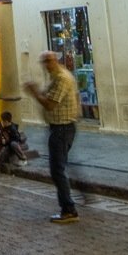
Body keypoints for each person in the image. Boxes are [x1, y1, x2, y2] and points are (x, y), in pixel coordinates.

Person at [25, 52, 81, 224]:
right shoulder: (56, 77)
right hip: (61, 127)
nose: (45, 65)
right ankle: (70, 204)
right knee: (60, 167)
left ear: (55, 61)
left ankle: (69, 209)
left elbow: (50, 104)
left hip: (62, 129)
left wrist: (34, 92)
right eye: (44, 62)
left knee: (57, 170)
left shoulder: (62, 78)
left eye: (48, 61)